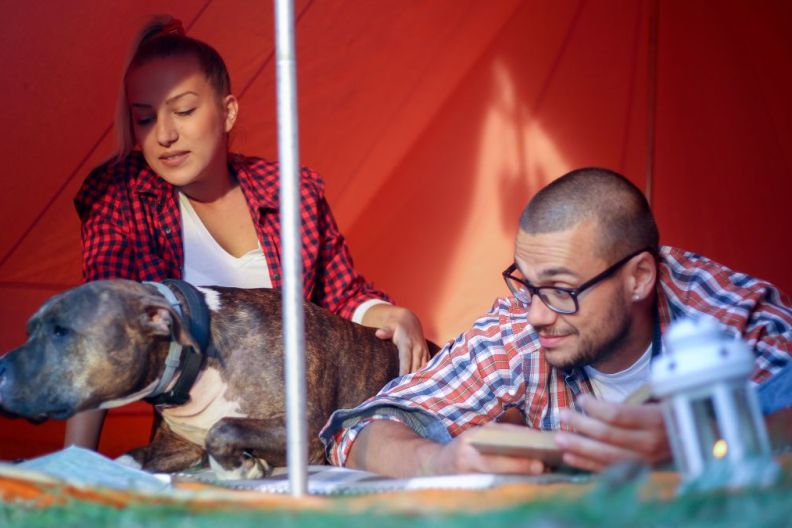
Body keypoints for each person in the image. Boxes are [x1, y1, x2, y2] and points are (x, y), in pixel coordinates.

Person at [66, 16, 429, 450]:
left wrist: (389, 314)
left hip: (305, 428)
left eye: (183, 111)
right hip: (196, 440)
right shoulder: (120, 197)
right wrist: (75, 463)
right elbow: (103, 330)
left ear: (228, 110)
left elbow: (340, 297)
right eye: (144, 119)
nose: (164, 135)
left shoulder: (289, 190)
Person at [319, 167, 792, 477]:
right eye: (525, 284)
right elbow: (358, 430)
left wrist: (698, 438)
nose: (537, 314)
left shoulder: (723, 311)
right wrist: (439, 459)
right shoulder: (518, 332)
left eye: (562, 291)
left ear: (640, 278)